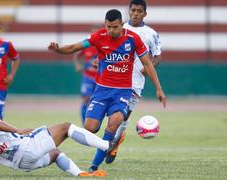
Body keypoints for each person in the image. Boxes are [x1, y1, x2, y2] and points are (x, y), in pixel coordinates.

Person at [48, 9, 166, 173]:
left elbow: (147, 63)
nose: (111, 30)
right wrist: (58, 49)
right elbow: (75, 47)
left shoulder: (133, 39)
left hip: (123, 92)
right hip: (101, 91)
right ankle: (108, 143)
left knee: (113, 125)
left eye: (115, 27)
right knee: (90, 128)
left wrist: (159, 89)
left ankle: (94, 166)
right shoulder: (99, 36)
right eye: (108, 27)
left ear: (121, 25)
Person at [0, 91, 119, 177]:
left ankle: (80, 174)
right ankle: (107, 145)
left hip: (21, 164)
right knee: (66, 127)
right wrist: (17, 130)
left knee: (56, 153)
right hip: (25, 148)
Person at [104, 0, 163, 165]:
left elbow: (157, 55)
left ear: (145, 13)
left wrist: (150, 66)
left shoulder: (151, 33)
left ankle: (114, 143)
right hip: (115, 77)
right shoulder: (119, 28)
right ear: (129, 11)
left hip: (136, 82)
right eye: (133, 10)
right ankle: (111, 138)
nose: (135, 13)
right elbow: (106, 47)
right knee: (111, 115)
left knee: (123, 116)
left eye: (139, 11)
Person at [72, 25, 100, 125]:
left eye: (96, 33)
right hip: (88, 77)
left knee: (96, 102)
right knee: (86, 99)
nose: (94, 35)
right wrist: (78, 65)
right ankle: (85, 124)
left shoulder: (104, 46)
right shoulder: (86, 45)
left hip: (99, 79)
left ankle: (94, 123)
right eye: (92, 33)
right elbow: (76, 55)